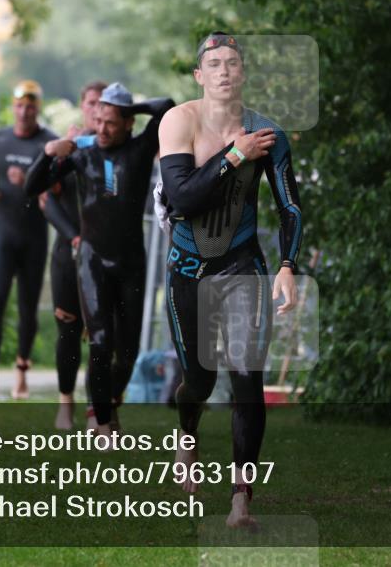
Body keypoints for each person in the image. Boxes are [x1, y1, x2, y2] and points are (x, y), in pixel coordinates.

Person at [157, 32, 302, 528]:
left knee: (247, 380)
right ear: (200, 75)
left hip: (243, 267)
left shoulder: (269, 134)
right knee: (199, 379)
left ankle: (242, 496)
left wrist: (287, 267)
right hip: (188, 270)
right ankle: (187, 439)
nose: (223, 70)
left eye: (232, 63)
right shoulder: (180, 121)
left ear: (243, 74)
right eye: (213, 63)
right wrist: (234, 156)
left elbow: (290, 208)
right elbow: (181, 199)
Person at [26, 82, 175, 439]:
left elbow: (167, 106)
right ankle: (101, 421)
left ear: (127, 124)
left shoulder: (142, 148)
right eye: (99, 119)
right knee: (100, 340)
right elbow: (32, 188)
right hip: (92, 260)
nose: (102, 128)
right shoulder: (82, 155)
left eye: (111, 121)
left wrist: (128, 107)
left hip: (130, 262)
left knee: (127, 352)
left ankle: (108, 403)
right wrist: (48, 153)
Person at [0, 80, 57, 398]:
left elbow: (61, 182)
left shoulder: (49, 142)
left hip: (34, 234)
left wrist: (34, 181)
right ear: (13, 108)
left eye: (31, 106)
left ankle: (21, 373)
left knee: (28, 307)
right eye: (19, 105)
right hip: (3, 231)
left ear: (38, 109)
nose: (25, 112)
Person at [39, 80, 107, 429]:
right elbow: (46, 199)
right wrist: (75, 237)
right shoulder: (71, 147)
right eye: (91, 102)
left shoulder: (116, 149)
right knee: (68, 329)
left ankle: (102, 411)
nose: (97, 109)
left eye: (103, 103)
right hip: (68, 251)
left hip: (107, 255)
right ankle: (65, 404)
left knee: (104, 335)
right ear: (83, 107)